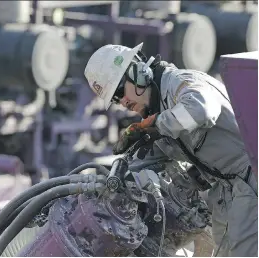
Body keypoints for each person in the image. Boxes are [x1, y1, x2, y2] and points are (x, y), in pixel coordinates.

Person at [84, 43, 258, 257]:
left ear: (138, 72)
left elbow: (202, 110)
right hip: (227, 191)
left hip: (251, 181)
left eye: (120, 91)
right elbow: (153, 159)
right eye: (115, 99)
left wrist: (154, 125)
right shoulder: (161, 112)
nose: (123, 102)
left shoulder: (179, 83)